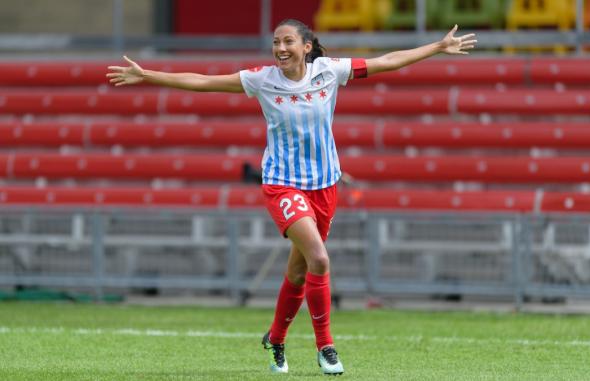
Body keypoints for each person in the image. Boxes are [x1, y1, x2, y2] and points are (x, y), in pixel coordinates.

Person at [107, 19, 476, 375]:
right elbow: (203, 81)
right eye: (276, 43)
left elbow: (386, 61)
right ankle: (326, 347)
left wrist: (438, 47)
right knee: (319, 258)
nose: (280, 49)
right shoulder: (262, 80)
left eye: (287, 42)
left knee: (298, 271)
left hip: (325, 187)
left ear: (306, 46)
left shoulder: (330, 71)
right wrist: (149, 75)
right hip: (283, 185)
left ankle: (276, 339)